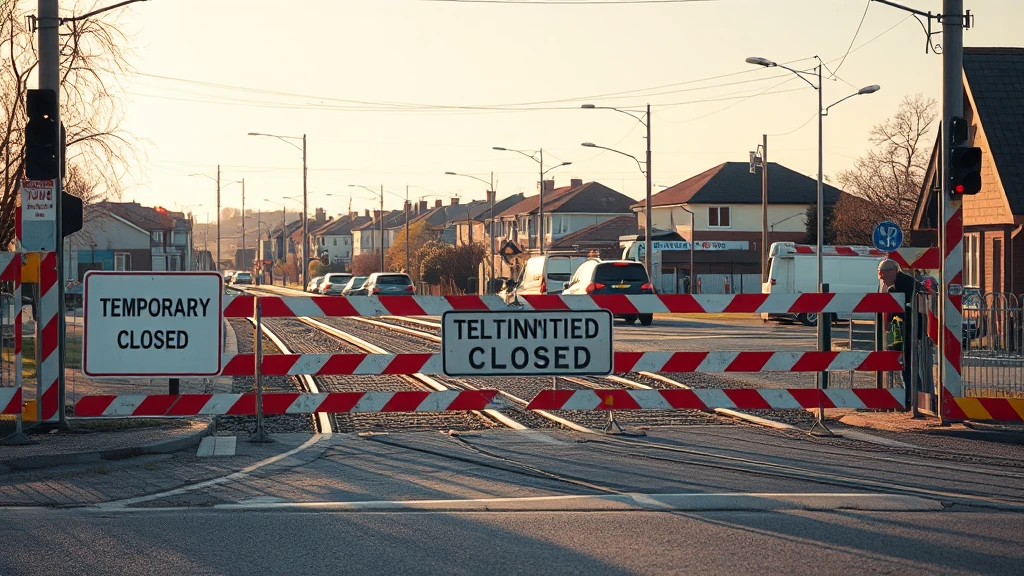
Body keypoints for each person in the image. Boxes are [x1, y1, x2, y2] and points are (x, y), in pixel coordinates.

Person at [877, 259, 921, 405]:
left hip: (910, 330)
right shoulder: (903, 281)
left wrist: (885, 291)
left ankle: (913, 398)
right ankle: (912, 397)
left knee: (908, 364)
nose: (881, 278)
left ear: (892, 272)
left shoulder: (902, 284)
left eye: (882, 275)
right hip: (907, 329)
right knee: (907, 364)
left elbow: (897, 302)